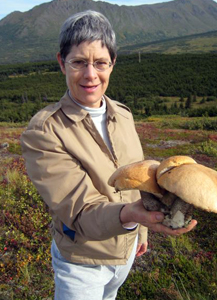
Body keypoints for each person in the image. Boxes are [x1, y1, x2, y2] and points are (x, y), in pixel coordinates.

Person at [21, 10, 197, 300]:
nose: (91, 75)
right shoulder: (45, 131)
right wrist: (134, 216)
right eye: (78, 62)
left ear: (112, 64)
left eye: (100, 62)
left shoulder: (123, 115)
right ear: (61, 63)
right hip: (82, 263)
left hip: (126, 253)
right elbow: (77, 210)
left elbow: (139, 185)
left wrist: (141, 231)